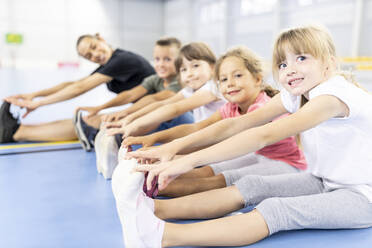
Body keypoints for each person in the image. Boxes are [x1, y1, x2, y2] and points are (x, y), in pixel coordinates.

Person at [115, 25, 372, 247]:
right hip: (323, 180)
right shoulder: (297, 95)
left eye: (301, 58)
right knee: (254, 186)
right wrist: (172, 148)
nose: (290, 69)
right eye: (283, 63)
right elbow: (237, 124)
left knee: (276, 210)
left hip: (361, 196)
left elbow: (264, 134)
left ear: (329, 63)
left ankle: (161, 236)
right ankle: (152, 209)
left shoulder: (333, 96)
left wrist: (187, 161)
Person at [123, 46, 306, 197]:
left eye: (238, 76)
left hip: (287, 165)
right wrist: (155, 142)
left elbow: (225, 139)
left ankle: (146, 189)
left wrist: (178, 155)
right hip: (255, 155)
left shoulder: (263, 107)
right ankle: (150, 179)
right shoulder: (230, 108)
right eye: (223, 79)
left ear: (258, 79)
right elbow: (198, 127)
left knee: (217, 180)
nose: (230, 83)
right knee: (207, 170)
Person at [1, 33, 154, 144]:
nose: (95, 55)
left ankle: (15, 133)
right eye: (89, 56)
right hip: (144, 109)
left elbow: (80, 88)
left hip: (157, 114)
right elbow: (74, 84)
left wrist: (38, 104)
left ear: (100, 38)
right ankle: (18, 128)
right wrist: (34, 95)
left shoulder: (122, 60)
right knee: (86, 120)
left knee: (89, 123)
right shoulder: (110, 63)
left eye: (94, 47)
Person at [74, 37, 191, 151]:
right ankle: (112, 134)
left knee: (157, 110)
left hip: (187, 127)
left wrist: (126, 113)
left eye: (167, 59)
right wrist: (99, 108)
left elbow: (155, 98)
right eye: (157, 59)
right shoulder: (155, 79)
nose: (160, 64)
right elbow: (130, 94)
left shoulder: (182, 80)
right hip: (167, 128)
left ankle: (118, 135)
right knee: (139, 114)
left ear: (179, 61)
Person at [106, 42, 226, 138]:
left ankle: (127, 134)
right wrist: (129, 118)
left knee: (170, 117)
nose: (189, 74)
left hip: (219, 140)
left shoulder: (212, 87)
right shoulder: (190, 90)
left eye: (195, 66)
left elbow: (175, 109)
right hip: (206, 136)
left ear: (212, 67)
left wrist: (136, 124)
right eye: (184, 69)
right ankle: (124, 134)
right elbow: (163, 103)